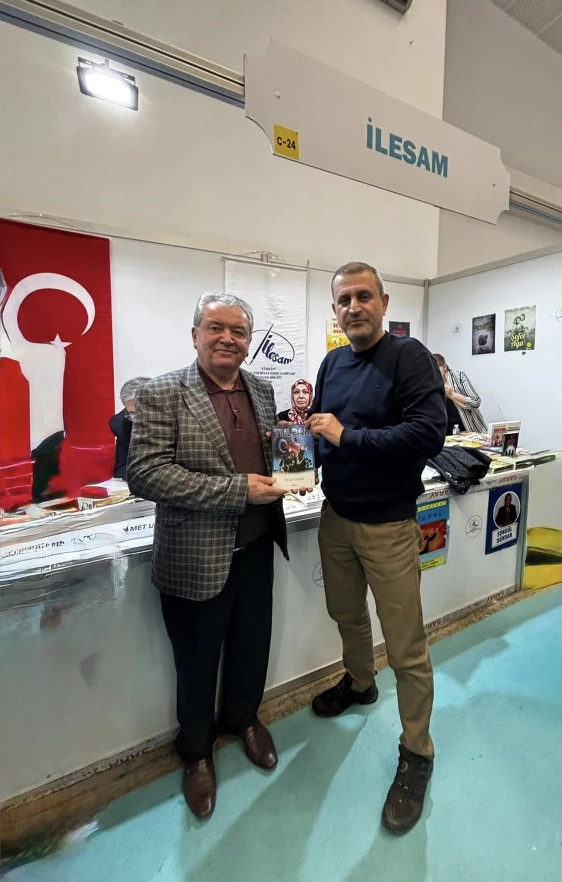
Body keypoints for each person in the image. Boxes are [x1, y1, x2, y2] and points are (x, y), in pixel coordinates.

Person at [127, 291, 288, 821]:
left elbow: (273, 455)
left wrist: (294, 473)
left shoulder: (261, 389)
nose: (227, 339)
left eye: (238, 331)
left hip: (257, 547)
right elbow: (145, 474)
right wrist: (238, 491)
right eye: (216, 328)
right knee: (196, 662)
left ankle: (243, 719)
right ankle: (196, 751)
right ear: (194, 334)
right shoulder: (162, 392)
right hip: (194, 556)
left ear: (249, 340)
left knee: (252, 646)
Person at [306, 261, 446, 836]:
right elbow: (322, 426)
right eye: (344, 299)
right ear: (334, 310)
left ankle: (417, 751)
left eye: (364, 296)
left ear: (384, 302)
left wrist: (347, 437)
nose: (354, 307)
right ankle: (361, 683)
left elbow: (428, 433)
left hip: (388, 525)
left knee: (407, 648)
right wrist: (300, 454)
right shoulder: (332, 363)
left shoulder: (409, 357)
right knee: (346, 615)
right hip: (336, 517)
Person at [432, 353, 487, 434]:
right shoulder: (430, 384)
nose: (434, 373)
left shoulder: (459, 377)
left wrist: (452, 394)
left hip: (469, 431)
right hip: (445, 434)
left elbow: (476, 402)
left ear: (445, 367)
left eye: (437, 369)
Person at [109, 377, 150, 480]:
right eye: (132, 413)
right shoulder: (122, 424)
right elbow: (121, 468)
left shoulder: (179, 418)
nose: (138, 419)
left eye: (142, 411)